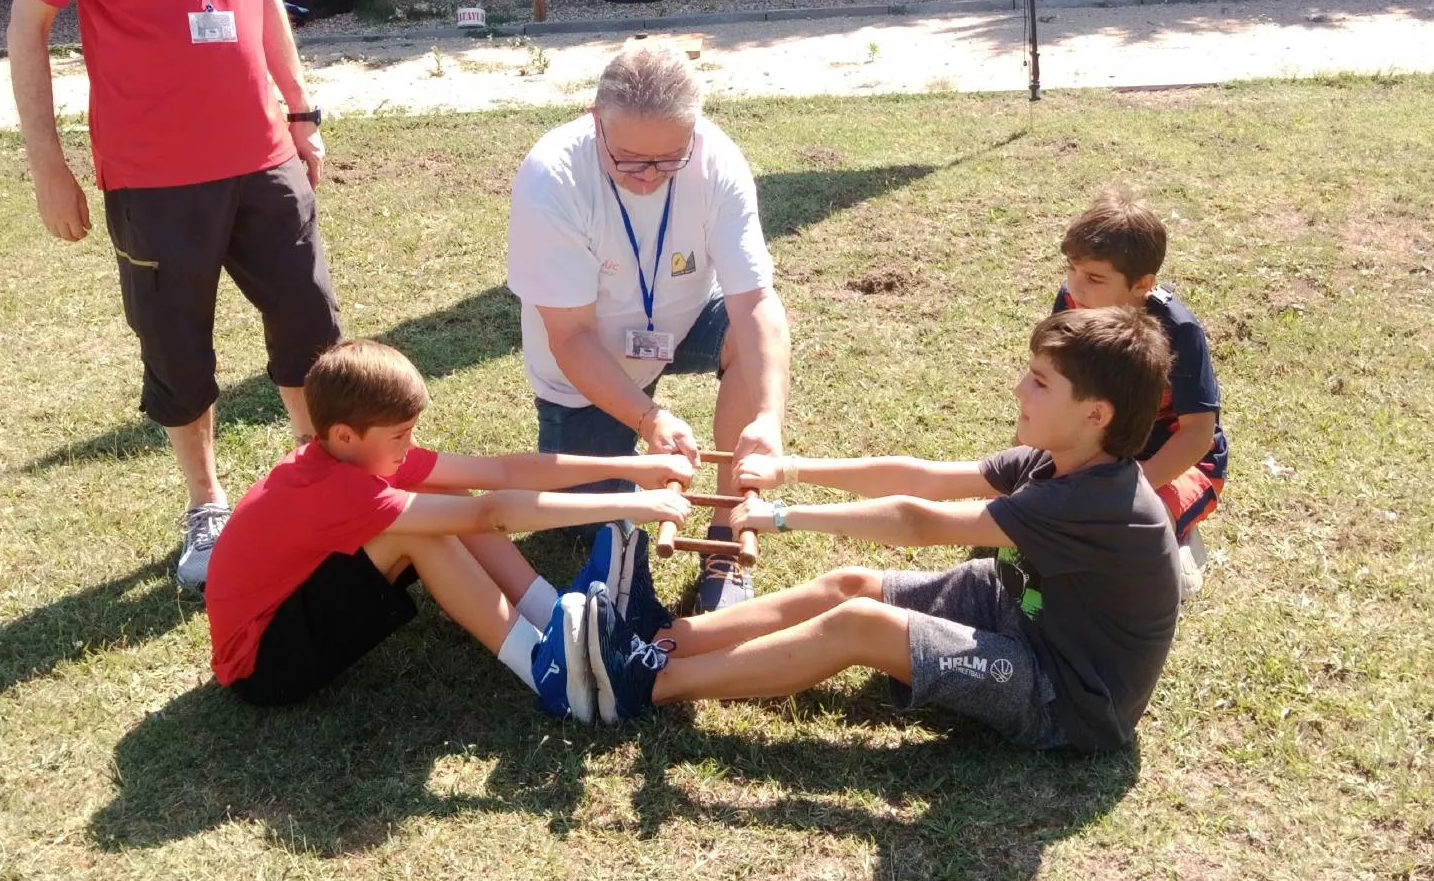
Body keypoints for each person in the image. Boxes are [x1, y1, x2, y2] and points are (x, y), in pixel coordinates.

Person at [9, 0, 339, 590]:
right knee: (179, 352)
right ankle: (206, 503)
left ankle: (321, 485)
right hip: (152, 175)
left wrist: (300, 111)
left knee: (312, 324)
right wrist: (50, 165)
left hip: (263, 152)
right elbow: (27, 28)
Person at [568, 307, 1182, 752]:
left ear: (1095, 415)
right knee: (851, 584)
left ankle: (645, 683)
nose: (1020, 388)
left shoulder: (1095, 501)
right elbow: (920, 478)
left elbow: (919, 521)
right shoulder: (1061, 456)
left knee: (858, 625)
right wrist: (793, 468)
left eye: (1041, 383)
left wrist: (784, 516)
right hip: (1019, 609)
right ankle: (665, 637)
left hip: (1062, 697)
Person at [204, 340, 694, 712]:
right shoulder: (341, 489)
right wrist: (635, 503)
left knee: (438, 494)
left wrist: (629, 468)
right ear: (345, 434)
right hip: (264, 667)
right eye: (399, 435)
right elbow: (492, 513)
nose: (408, 446)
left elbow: (502, 471)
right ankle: (547, 674)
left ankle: (553, 618)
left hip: (289, 613)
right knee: (419, 532)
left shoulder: (352, 455)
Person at [505, 40, 790, 608]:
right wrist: (647, 416)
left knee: (741, 340)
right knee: (584, 530)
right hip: (586, 359)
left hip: (683, 321)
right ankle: (617, 466)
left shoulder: (717, 160)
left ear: (695, 130)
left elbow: (756, 303)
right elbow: (571, 335)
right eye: (630, 159)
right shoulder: (552, 178)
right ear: (596, 121)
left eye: (669, 158)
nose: (648, 177)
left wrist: (768, 419)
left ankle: (726, 536)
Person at [1051, 190, 1227, 589]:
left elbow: (1198, 434)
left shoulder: (1179, 331)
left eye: (1095, 278)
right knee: (1035, 505)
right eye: (1072, 268)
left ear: (1142, 285)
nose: (1075, 286)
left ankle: (1178, 550)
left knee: (1132, 531)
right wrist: (1027, 463)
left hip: (1177, 462)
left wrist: (1127, 494)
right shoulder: (1071, 302)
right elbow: (1053, 391)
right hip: (1103, 445)